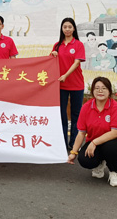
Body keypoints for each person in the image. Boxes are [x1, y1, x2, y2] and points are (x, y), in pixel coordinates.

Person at [67, 77, 117, 187]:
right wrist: (73, 152)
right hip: (95, 144)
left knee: (110, 148)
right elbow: (81, 133)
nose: (100, 91)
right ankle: (99, 164)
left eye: (104, 88)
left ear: (109, 91)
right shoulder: (86, 107)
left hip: (116, 143)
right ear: (92, 91)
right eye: (97, 88)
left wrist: (94, 142)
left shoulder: (115, 107)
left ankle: (114, 171)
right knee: (84, 159)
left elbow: (115, 133)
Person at [50, 17, 86, 150]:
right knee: (62, 115)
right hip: (61, 85)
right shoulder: (57, 45)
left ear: (74, 29)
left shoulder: (78, 45)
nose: (67, 29)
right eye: (65, 27)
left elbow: (76, 63)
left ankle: (74, 143)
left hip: (76, 84)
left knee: (76, 115)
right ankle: (62, 142)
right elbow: (51, 63)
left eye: (70, 27)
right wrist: (53, 55)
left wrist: (66, 75)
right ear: (61, 29)